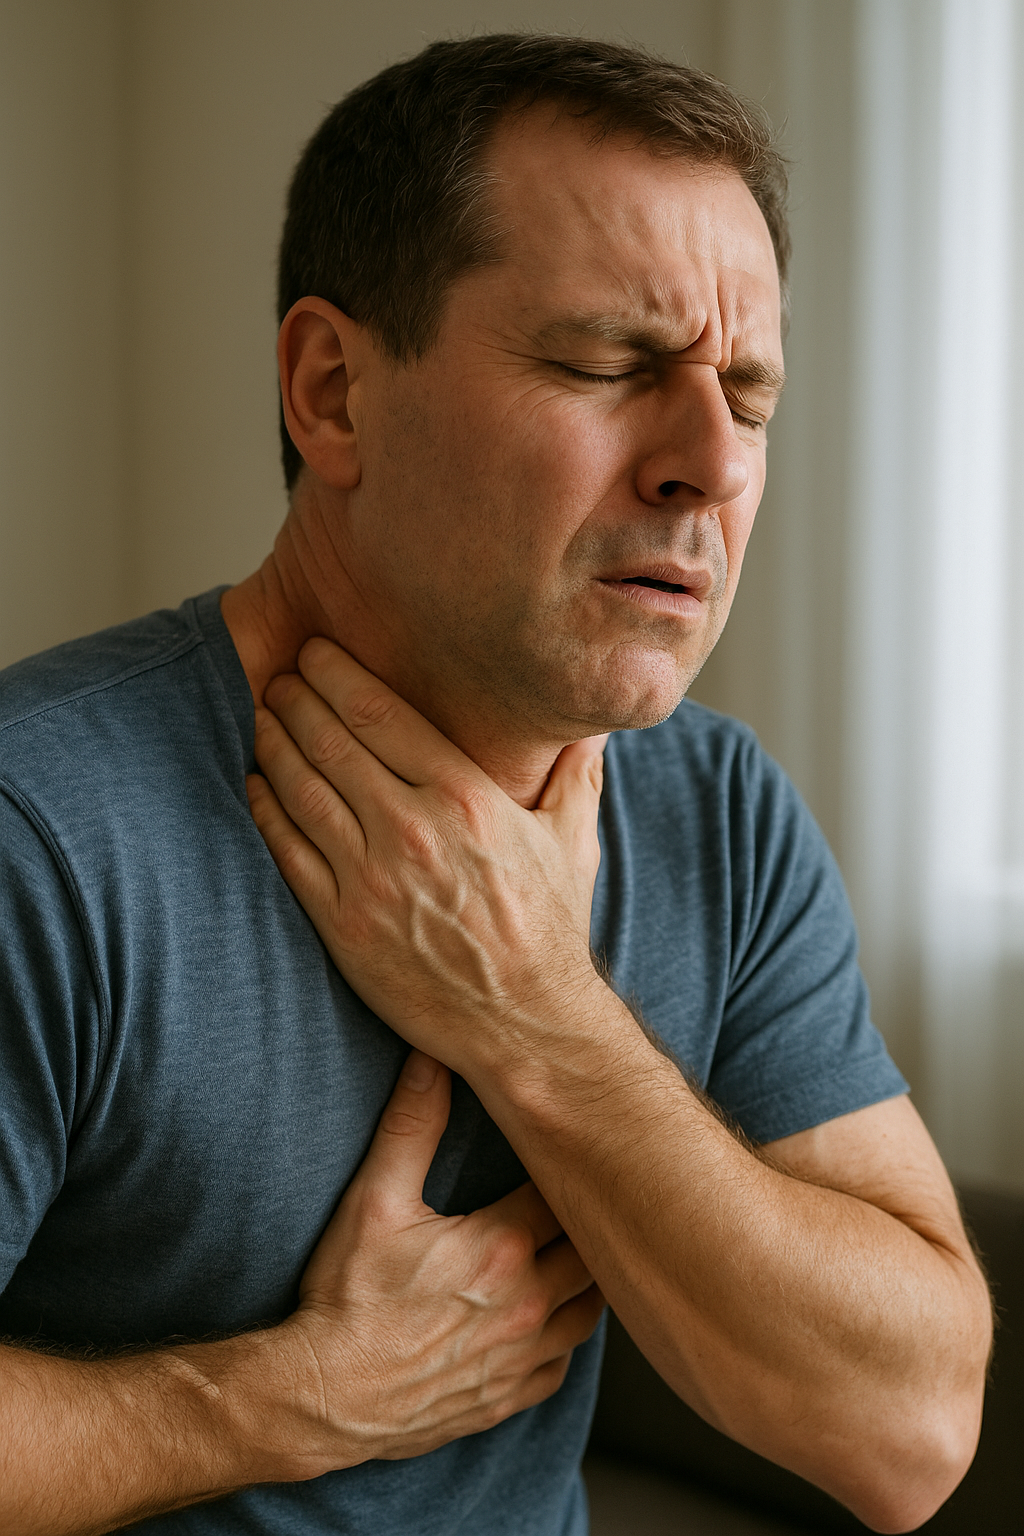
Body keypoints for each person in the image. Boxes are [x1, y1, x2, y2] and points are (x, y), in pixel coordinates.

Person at [0, 33, 991, 1536]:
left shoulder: (717, 811)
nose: (711, 465)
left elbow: (913, 1433)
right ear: (332, 392)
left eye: (750, 391)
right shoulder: (43, 828)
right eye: (608, 364)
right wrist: (275, 1402)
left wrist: (535, 1008)